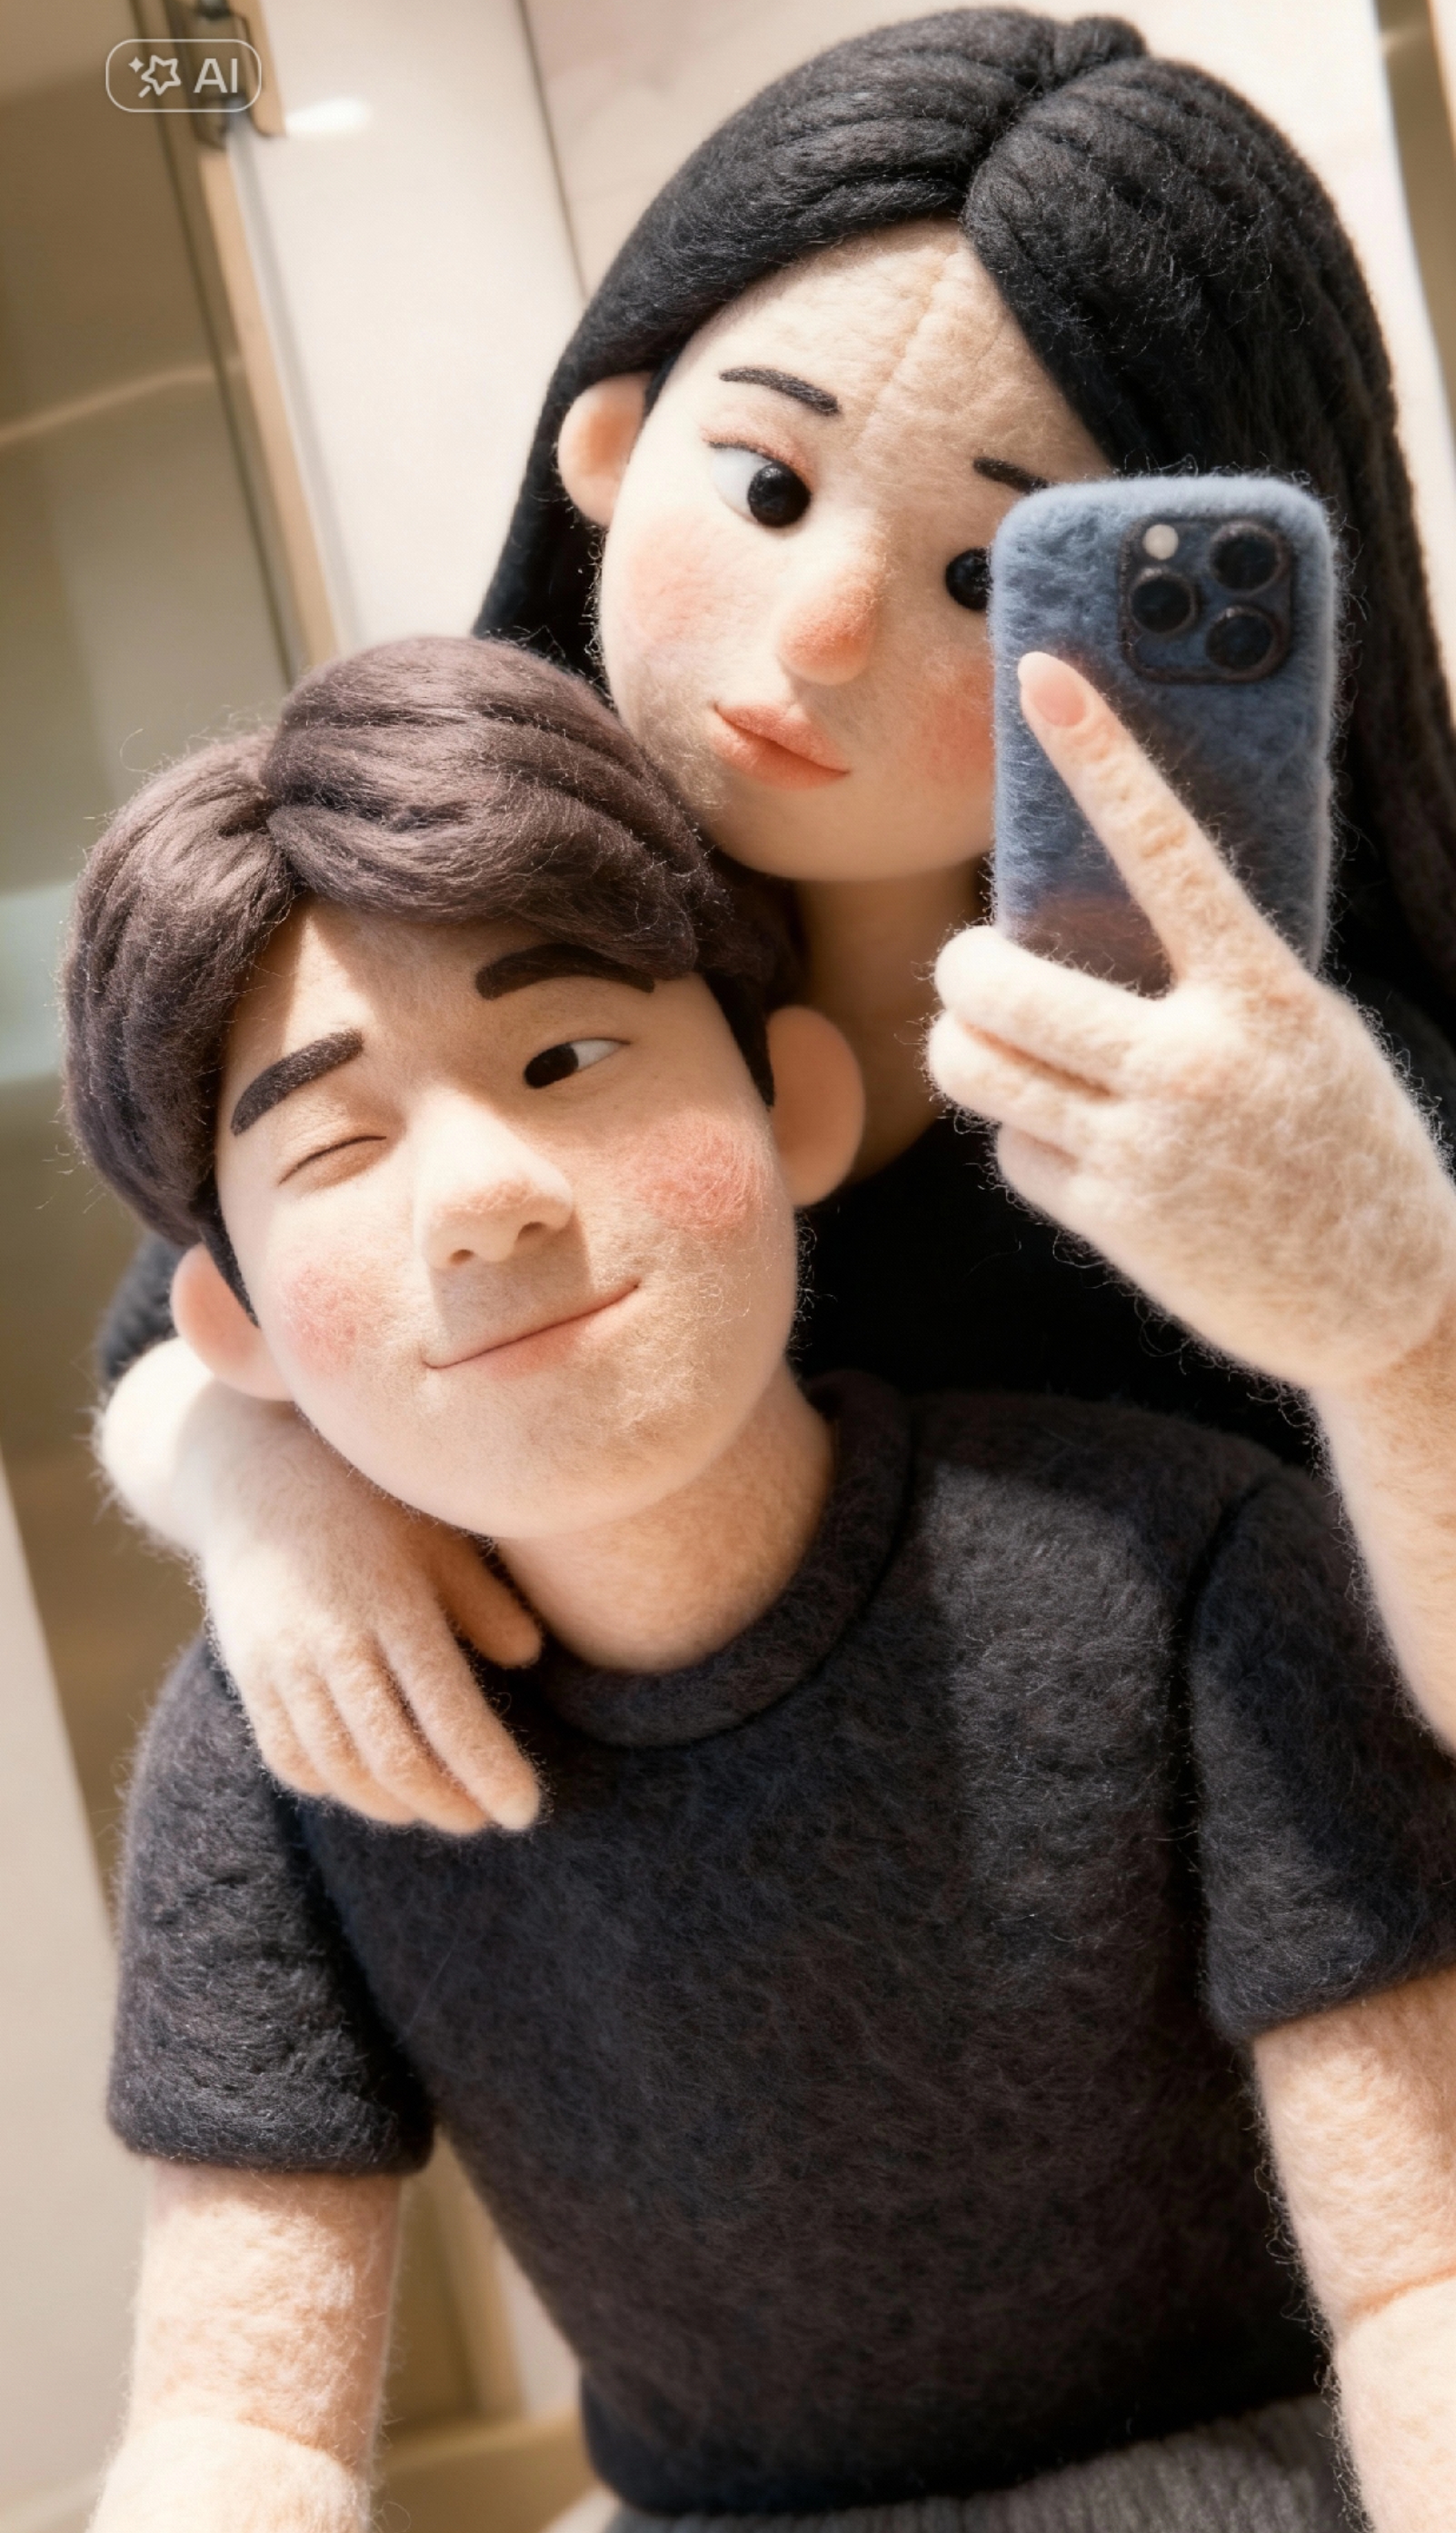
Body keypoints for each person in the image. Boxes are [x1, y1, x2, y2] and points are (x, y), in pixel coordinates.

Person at [68, 637, 1456, 2533]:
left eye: (566, 1059)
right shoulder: (279, 1747)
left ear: (795, 1103)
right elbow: (241, 2425)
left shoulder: (1186, 1566)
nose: (479, 1193)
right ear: (229, 1325)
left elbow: (1422, 2281)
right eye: (336, 1144)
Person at [93, 8, 1456, 1831]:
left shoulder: (1296, 1103)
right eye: (767, 485)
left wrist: (1400, 1331)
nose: (819, 630)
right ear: (610, 439)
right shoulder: (451, 907)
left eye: (986, 571)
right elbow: (174, 1341)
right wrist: (268, 1495)